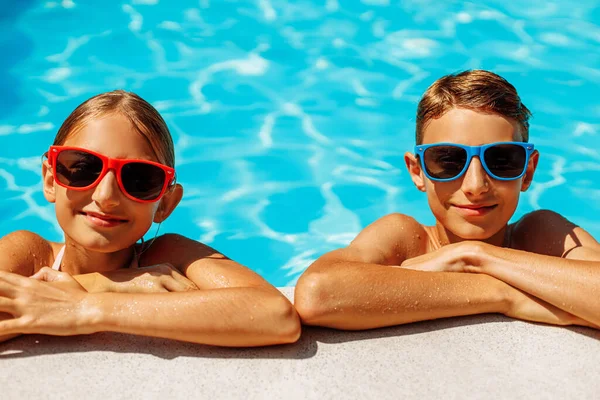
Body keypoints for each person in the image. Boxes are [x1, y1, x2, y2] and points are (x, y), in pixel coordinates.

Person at [294, 70, 600, 330]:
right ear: (417, 171)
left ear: (528, 171)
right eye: (449, 160)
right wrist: (502, 294)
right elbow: (319, 294)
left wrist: (476, 256)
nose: (475, 186)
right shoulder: (406, 238)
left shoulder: (542, 234)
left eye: (502, 160)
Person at [0, 90, 300, 346]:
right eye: (82, 168)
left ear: (165, 204)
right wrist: (119, 283)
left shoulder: (171, 256)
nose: (106, 196)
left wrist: (90, 303)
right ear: (51, 180)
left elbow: (275, 314)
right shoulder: (31, 253)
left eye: (139, 179)